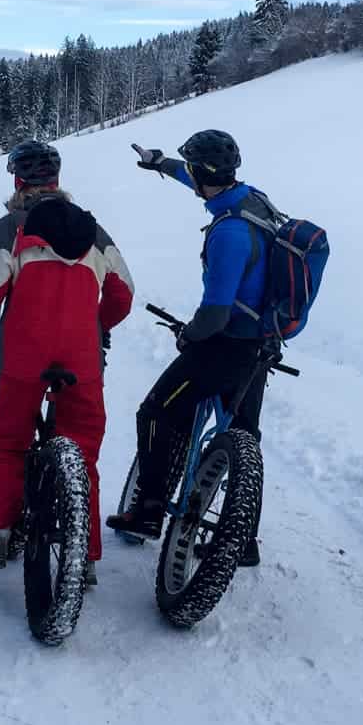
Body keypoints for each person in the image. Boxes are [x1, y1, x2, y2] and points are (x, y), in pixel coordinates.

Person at [0, 140, 134, 582]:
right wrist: (97, 326)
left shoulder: (9, 228)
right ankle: (83, 555)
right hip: (83, 359)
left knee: (8, 441)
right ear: (56, 181)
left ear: (17, 180)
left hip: (23, 358)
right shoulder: (93, 230)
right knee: (83, 452)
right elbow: (122, 293)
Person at [105, 130, 275, 566]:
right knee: (242, 436)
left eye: (193, 170)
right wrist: (161, 164)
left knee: (157, 413)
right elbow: (200, 181)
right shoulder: (252, 201)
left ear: (204, 174)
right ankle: (244, 541)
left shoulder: (229, 234)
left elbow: (214, 314)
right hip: (261, 347)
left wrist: (189, 336)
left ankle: (147, 511)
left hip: (224, 347)